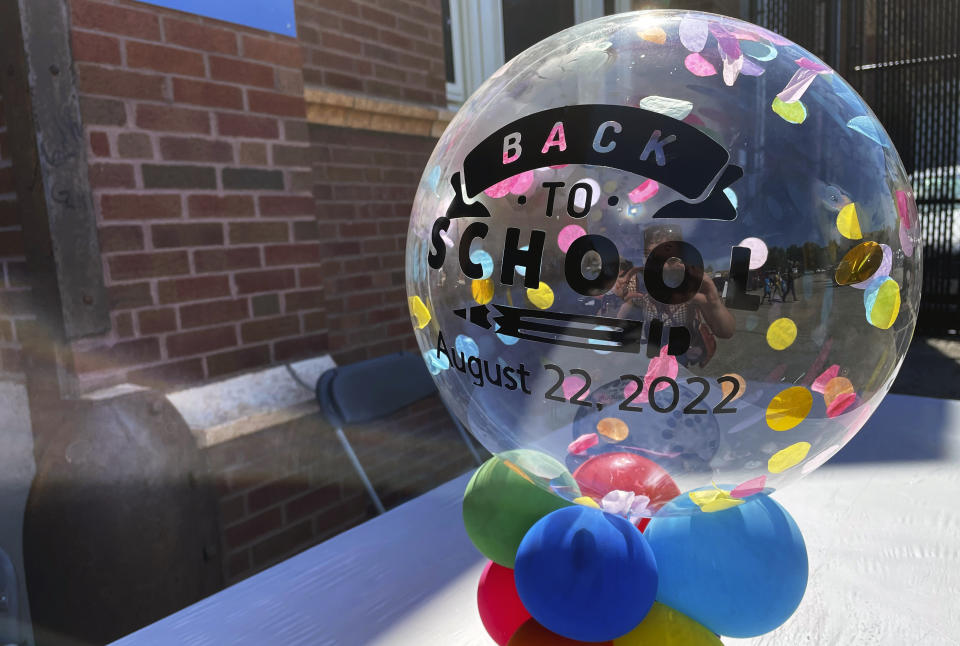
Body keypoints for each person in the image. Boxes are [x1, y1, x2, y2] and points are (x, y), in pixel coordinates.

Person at [617, 225, 735, 366]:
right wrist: (618, 298)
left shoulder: (691, 287)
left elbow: (725, 332)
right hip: (652, 350)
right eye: (650, 256)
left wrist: (714, 302)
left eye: (668, 258)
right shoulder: (638, 283)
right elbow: (621, 316)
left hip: (679, 353)